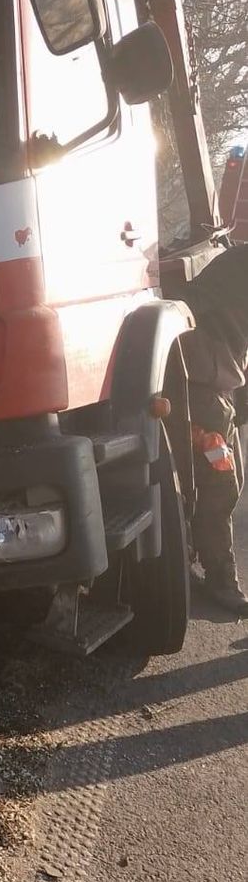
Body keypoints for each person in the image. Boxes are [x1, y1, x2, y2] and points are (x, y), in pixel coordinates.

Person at [180, 245, 248, 615]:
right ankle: (220, 580)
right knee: (220, 484)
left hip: (217, 392)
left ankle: (194, 561)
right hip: (204, 394)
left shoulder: (234, 265)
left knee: (222, 484)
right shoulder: (236, 268)